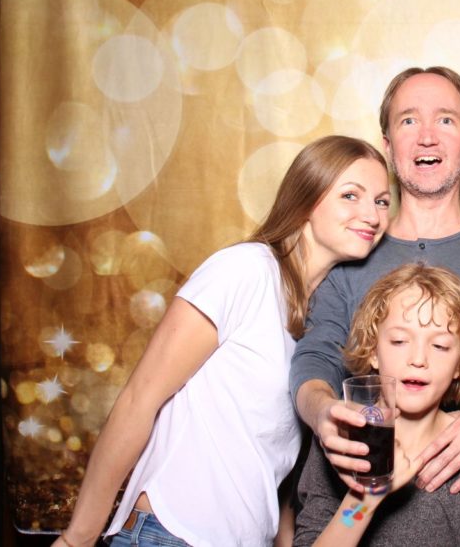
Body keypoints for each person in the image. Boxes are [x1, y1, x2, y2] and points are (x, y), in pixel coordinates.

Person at [53, 136, 391, 547]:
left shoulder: (315, 323)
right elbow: (139, 399)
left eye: (382, 201)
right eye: (351, 195)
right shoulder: (245, 270)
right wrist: (77, 538)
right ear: (306, 198)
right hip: (170, 535)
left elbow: (269, 468)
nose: (371, 215)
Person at [291, 66, 460, 498]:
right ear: (388, 146)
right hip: (358, 507)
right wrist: (321, 411)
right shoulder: (352, 254)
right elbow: (315, 359)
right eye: (409, 120)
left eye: (446, 120)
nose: (427, 137)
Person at [294, 263, 460, 546]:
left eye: (440, 346)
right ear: (373, 351)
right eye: (399, 341)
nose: (418, 359)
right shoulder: (341, 438)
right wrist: (366, 497)